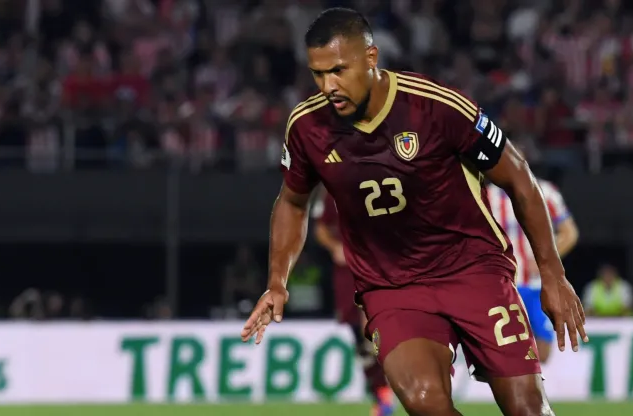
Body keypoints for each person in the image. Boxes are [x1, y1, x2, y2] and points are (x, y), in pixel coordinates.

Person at [241, 8, 587, 416]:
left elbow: (519, 178)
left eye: (338, 70)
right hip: (393, 288)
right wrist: (277, 281)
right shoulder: (307, 127)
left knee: (527, 408)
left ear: (371, 58)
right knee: (426, 404)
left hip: (473, 272)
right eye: (318, 74)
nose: (328, 86)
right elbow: (292, 202)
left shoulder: (436, 107)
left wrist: (553, 274)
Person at [487, 161, 579, 363]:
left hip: (537, 286)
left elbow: (569, 233)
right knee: (505, 347)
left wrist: (544, 261)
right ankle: (521, 385)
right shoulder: (488, 197)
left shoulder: (545, 191)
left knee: (544, 351)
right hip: (503, 286)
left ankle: (526, 381)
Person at [313, 189, 394, 416]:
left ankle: (394, 389)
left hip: (377, 269)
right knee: (359, 339)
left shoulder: (381, 180)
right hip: (346, 275)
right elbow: (320, 229)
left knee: (376, 332)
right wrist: (334, 246)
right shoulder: (330, 190)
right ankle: (382, 395)